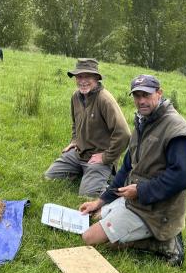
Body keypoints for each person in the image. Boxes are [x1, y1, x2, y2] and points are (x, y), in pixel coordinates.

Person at [78, 74, 186, 267]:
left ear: (159, 93)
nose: (141, 101)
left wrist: (141, 190)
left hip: (158, 210)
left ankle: (166, 243)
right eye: (137, 95)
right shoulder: (144, 121)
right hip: (135, 200)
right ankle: (139, 229)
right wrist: (99, 201)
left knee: (89, 238)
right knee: (96, 215)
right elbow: (126, 168)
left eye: (146, 95)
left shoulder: (176, 128)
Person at [44, 58, 130, 197]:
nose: (82, 81)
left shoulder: (104, 99)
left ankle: (108, 180)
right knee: (49, 177)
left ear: (96, 77)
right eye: (79, 76)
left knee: (87, 195)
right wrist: (74, 141)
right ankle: (84, 173)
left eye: (87, 76)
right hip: (79, 153)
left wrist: (106, 157)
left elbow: (124, 134)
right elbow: (75, 123)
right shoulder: (76, 96)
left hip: (98, 156)